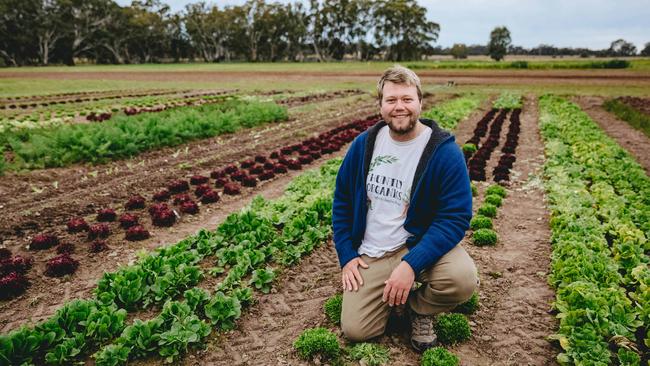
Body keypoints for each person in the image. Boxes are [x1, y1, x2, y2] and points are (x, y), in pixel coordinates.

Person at [332, 65, 478, 352]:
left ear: (420, 102)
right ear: (381, 106)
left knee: (461, 279)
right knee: (356, 330)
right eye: (391, 100)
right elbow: (342, 201)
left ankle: (419, 309)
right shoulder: (364, 146)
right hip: (372, 251)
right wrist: (346, 255)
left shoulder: (444, 152)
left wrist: (412, 264)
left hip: (417, 244)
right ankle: (387, 297)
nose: (400, 107)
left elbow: (455, 217)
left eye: (407, 99)